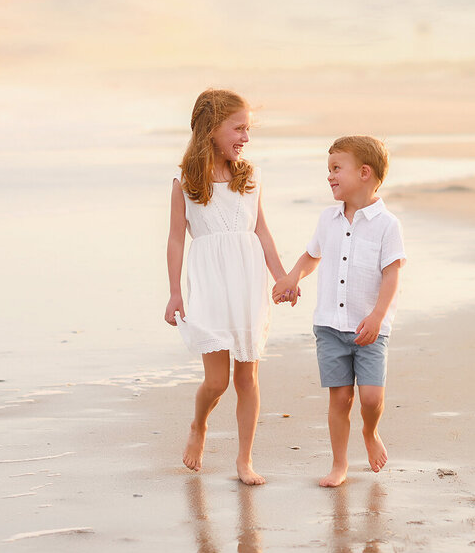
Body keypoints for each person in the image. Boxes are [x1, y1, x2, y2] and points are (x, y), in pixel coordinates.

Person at [165, 89, 288, 486]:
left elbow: (263, 233)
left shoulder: (249, 180)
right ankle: (198, 425)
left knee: (247, 378)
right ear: (212, 129)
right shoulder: (185, 183)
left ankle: (244, 460)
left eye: (247, 129)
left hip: (248, 285)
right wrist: (174, 292)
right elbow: (175, 240)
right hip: (211, 288)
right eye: (239, 128)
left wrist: (282, 276)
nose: (246, 138)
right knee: (216, 381)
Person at [272, 135, 406, 487]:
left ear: (364, 172)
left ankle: (371, 431)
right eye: (328, 169)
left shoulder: (387, 225)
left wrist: (378, 316)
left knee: (371, 397)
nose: (329, 176)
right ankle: (339, 464)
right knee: (341, 397)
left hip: (369, 328)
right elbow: (311, 257)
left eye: (336, 168)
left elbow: (392, 275)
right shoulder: (327, 219)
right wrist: (291, 277)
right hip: (330, 325)